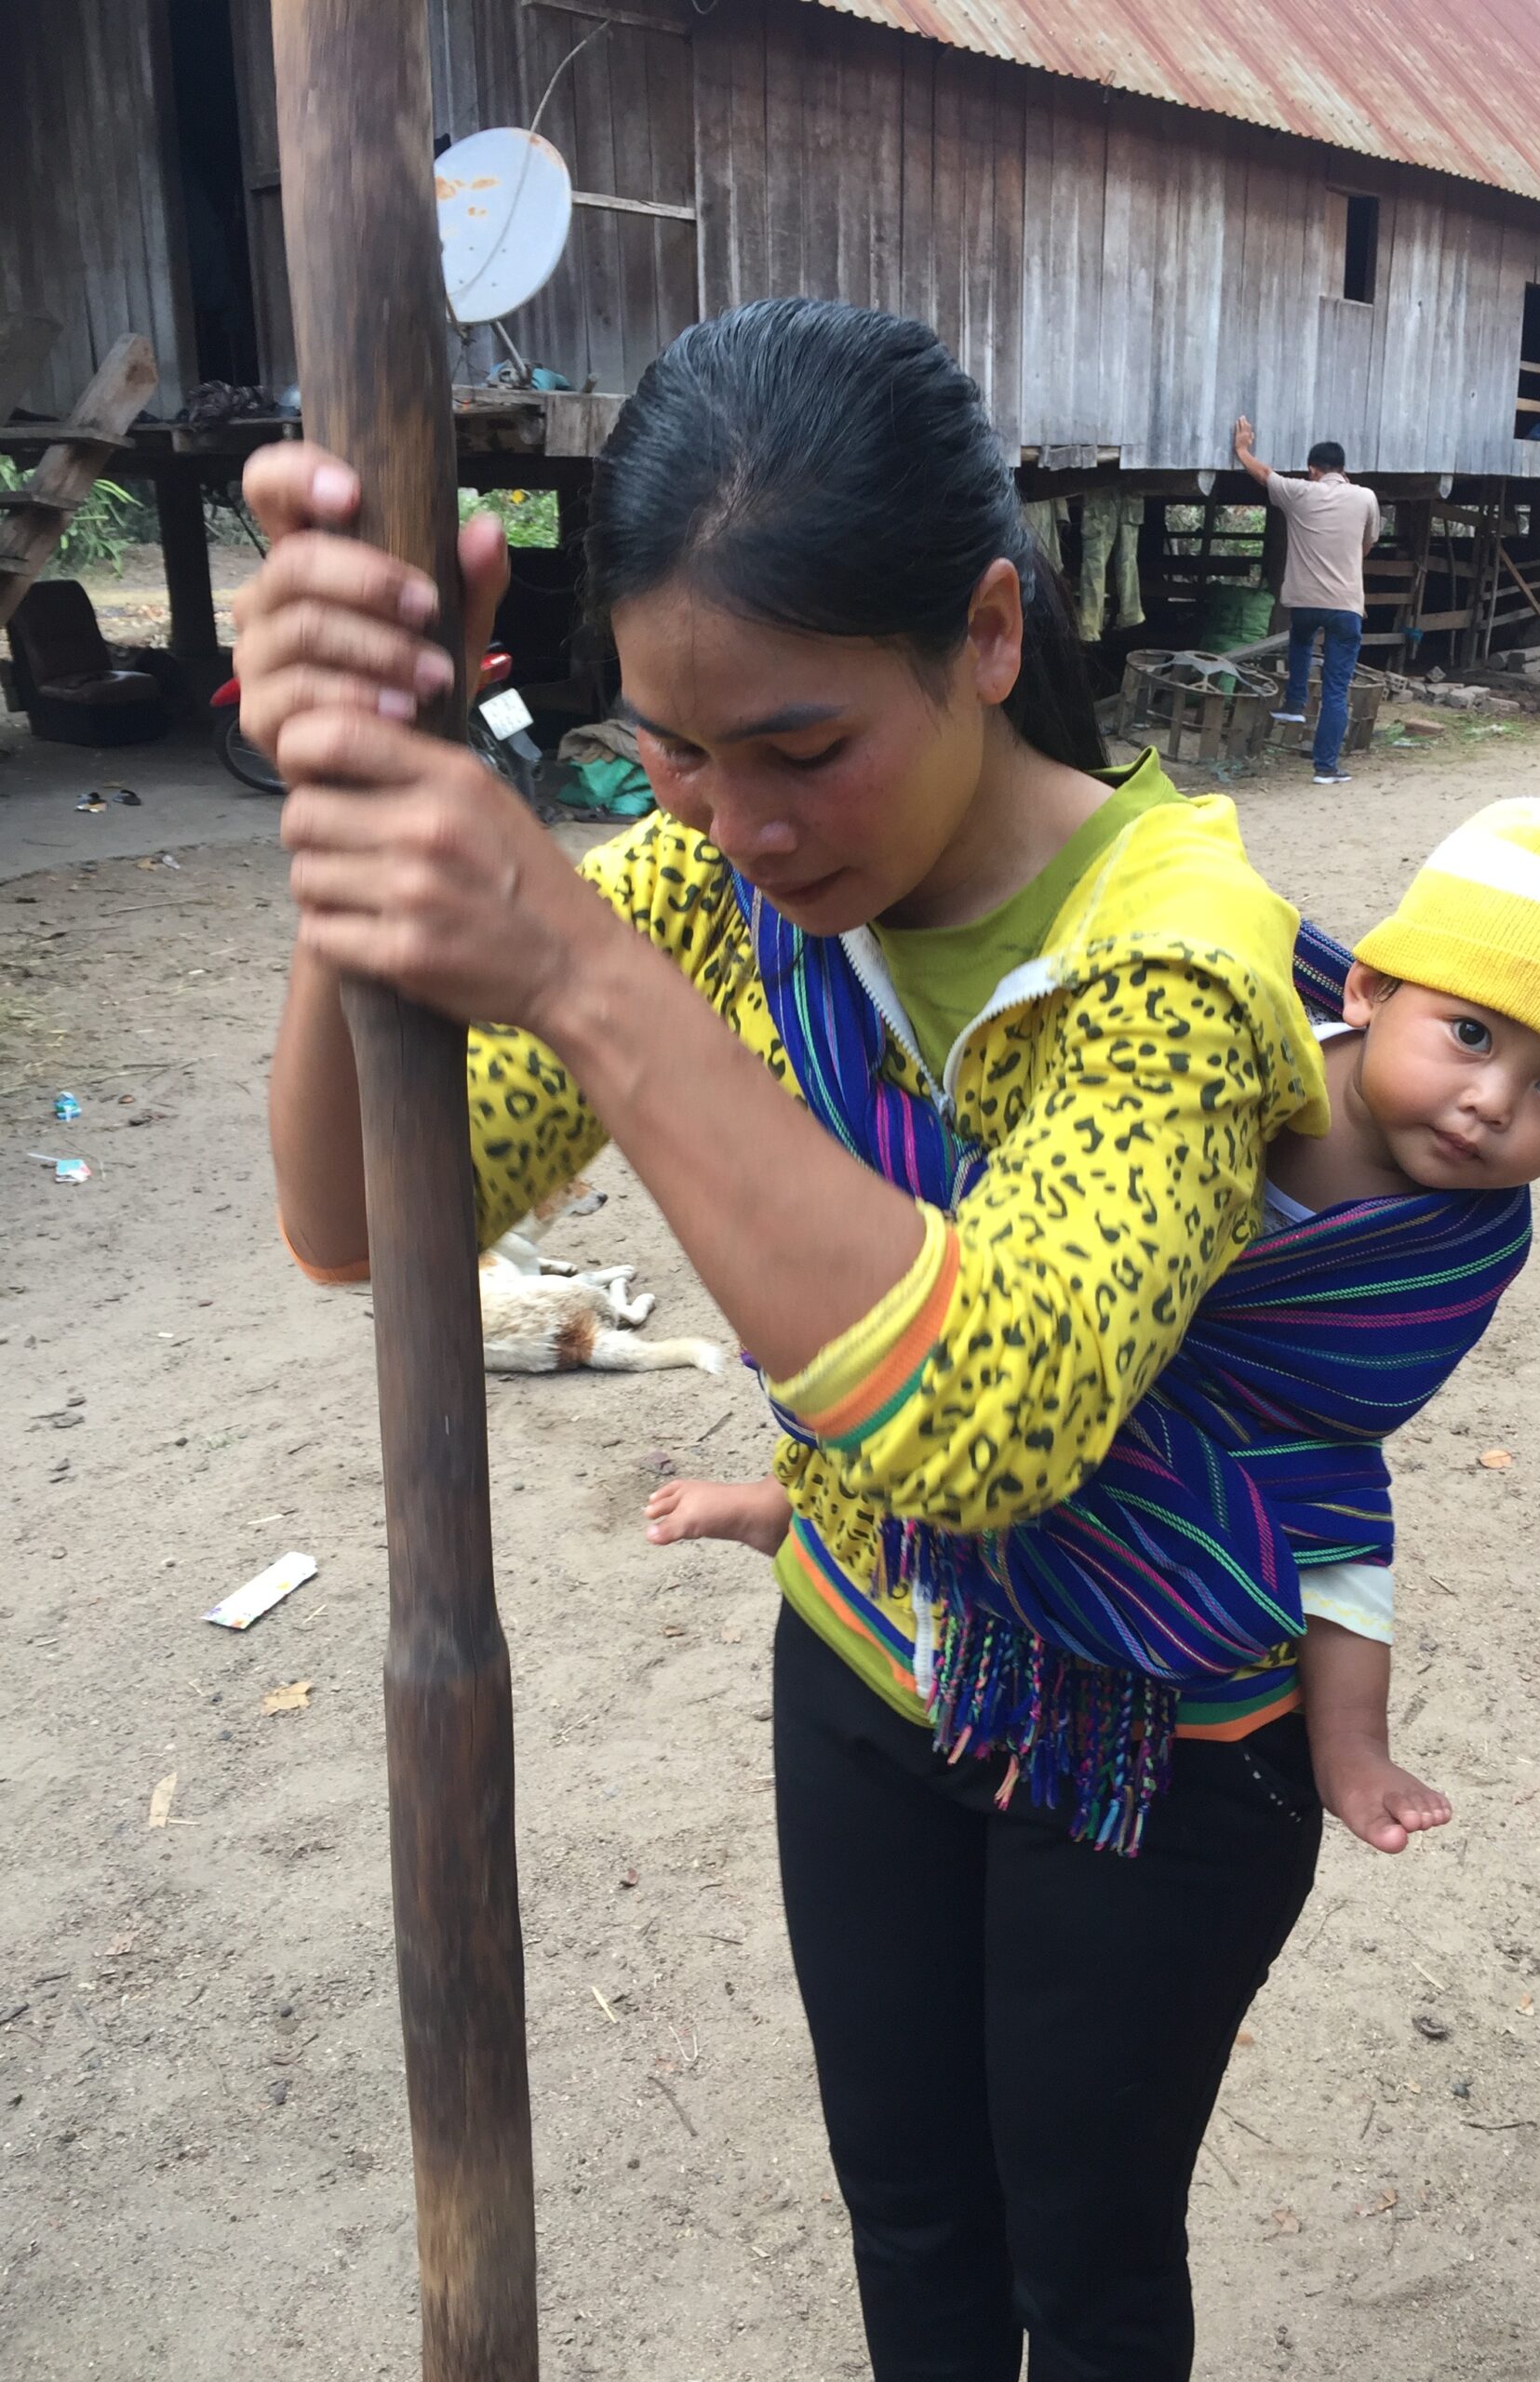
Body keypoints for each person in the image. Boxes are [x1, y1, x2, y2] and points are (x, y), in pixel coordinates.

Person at [237, 298, 1336, 2382]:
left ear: (991, 635)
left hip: (1151, 1750)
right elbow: (363, 1222)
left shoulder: (1175, 962)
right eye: (674, 751)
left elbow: (980, 1418)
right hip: (859, 1656)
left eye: (803, 748)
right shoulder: (702, 887)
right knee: (910, 2214)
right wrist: (350, 824)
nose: (734, 823)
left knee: (1081, 2269)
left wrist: (564, 945)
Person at [649, 796, 1540, 1856]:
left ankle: (1349, 1745)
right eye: (1470, 1035)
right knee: (918, 1350)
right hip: (1053, 1334)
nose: (1491, 1100)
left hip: (1252, 1442)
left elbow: (1334, 1422)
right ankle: (796, 1502)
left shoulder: (1455, 1246)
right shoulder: (1222, 1030)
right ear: (1372, 988)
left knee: (1340, 1539)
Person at [1232, 418, 1380, 787]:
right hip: (1346, 605)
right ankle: (1325, 768)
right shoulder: (1365, 497)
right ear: (1343, 470)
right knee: (1335, 688)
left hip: (1306, 602)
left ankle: (1295, 704)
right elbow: (1369, 542)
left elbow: (1264, 474)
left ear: (1314, 470)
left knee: (1299, 639)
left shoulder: (1300, 493)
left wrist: (1242, 449)